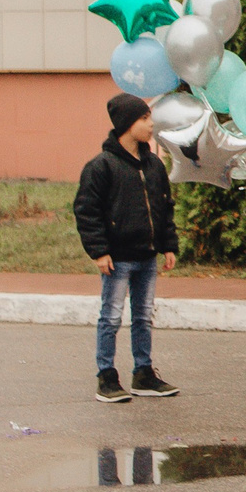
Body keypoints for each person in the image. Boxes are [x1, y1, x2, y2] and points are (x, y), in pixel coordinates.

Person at [74, 92, 180, 402]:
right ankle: (106, 376)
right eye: (144, 119)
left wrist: (168, 244)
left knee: (144, 317)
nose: (151, 124)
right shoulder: (101, 167)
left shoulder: (153, 165)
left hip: (146, 257)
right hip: (117, 259)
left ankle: (143, 374)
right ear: (126, 124)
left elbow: (164, 206)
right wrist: (99, 251)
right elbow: (86, 210)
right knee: (111, 316)